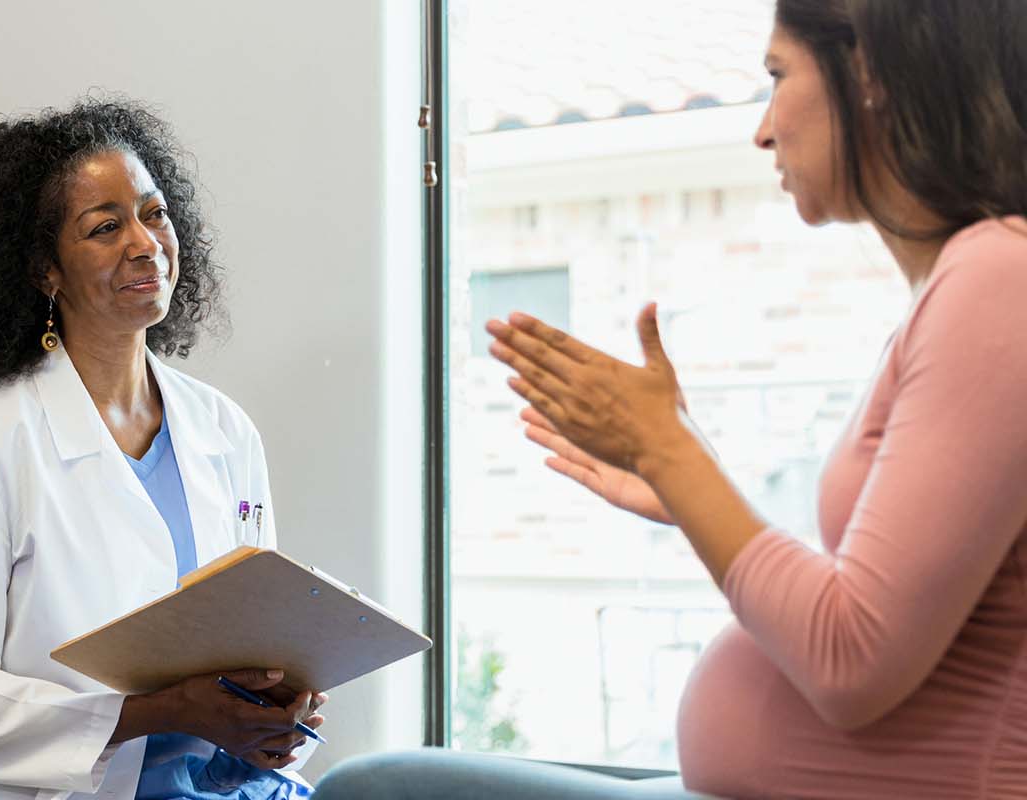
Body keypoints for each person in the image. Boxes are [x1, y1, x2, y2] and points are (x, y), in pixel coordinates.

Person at [315, 0, 1027, 797]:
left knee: (373, 792)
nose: (762, 130)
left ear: (869, 75)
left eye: (777, 76)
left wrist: (670, 450)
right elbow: (888, 608)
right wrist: (688, 493)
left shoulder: (997, 280)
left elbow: (850, 658)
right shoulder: (973, 287)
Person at [0, 98, 326, 800]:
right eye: (105, 227)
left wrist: (269, 714)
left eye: (154, 214)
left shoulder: (225, 430)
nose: (145, 243)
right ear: (43, 271)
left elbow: (251, 634)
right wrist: (156, 713)